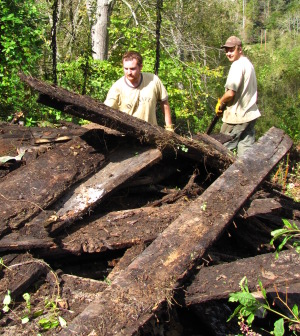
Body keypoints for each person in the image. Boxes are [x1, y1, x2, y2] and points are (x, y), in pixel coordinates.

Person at [104, 51, 174, 131]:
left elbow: (164, 103)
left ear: (140, 67)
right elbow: (107, 110)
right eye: (126, 69)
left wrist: (169, 127)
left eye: (132, 69)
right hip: (127, 134)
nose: (129, 72)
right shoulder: (117, 87)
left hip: (152, 132)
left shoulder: (153, 80)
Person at [216, 36, 261, 156]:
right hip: (250, 114)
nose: (228, 53)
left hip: (237, 117)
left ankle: (222, 175)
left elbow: (231, 93)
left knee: (222, 150)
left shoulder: (237, 66)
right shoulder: (248, 64)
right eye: (226, 51)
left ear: (239, 49)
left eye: (231, 50)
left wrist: (220, 103)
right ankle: (246, 174)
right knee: (246, 153)